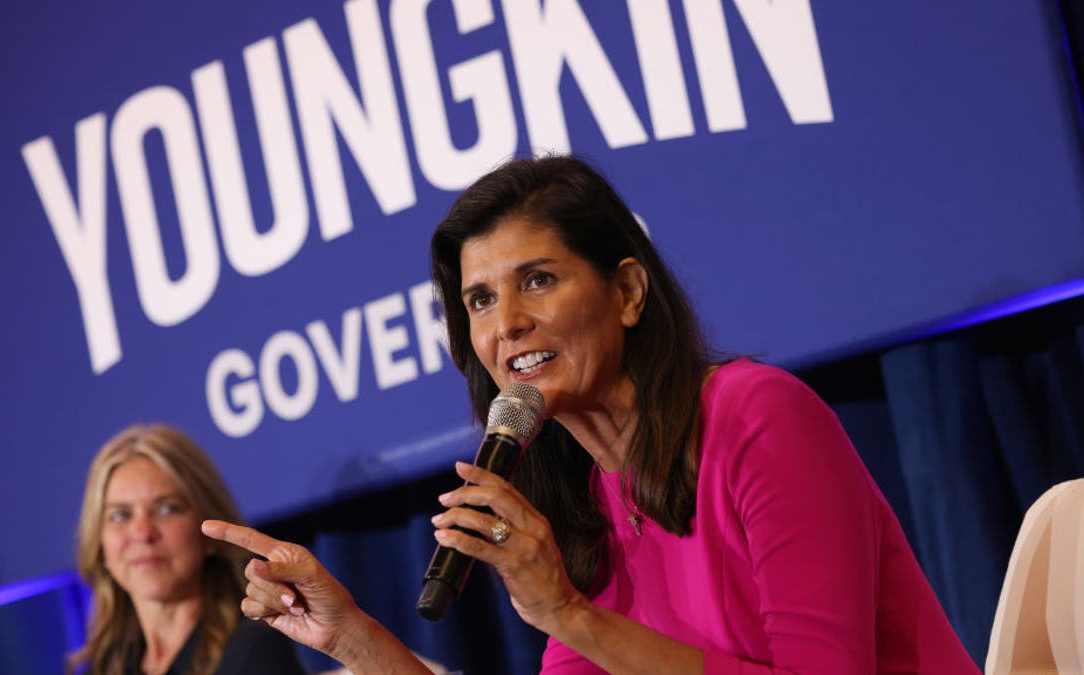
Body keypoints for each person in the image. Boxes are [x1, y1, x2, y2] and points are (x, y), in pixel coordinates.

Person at [203, 155, 981, 673]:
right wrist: (350, 636)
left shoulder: (759, 416)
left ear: (629, 292)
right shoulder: (580, 508)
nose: (504, 322)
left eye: (537, 280)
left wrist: (569, 613)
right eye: (479, 299)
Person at [71, 423, 307, 675]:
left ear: (209, 531)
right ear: (99, 541)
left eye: (167, 509)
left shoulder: (254, 650)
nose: (142, 533)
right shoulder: (102, 668)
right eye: (121, 515)